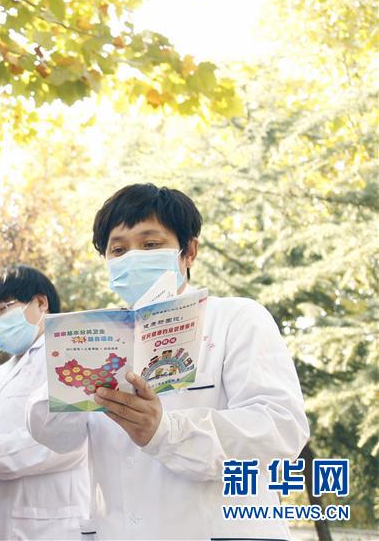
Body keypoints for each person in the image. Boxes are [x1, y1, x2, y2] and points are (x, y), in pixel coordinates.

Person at [26, 183, 310, 539]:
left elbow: (280, 430)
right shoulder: (95, 337)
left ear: (189, 251)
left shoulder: (236, 318)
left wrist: (165, 432)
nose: (132, 258)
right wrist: (69, 384)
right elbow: (55, 435)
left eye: (150, 244)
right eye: (118, 250)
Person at [0, 265, 90, 540]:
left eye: (3, 308)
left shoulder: (70, 356)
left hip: (48, 527)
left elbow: (66, 444)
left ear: (41, 302)